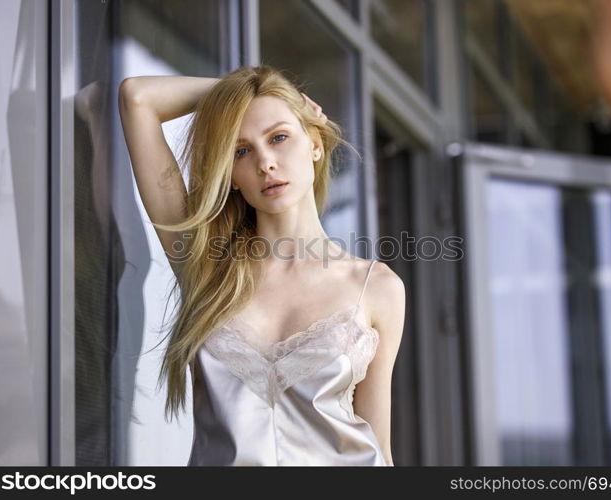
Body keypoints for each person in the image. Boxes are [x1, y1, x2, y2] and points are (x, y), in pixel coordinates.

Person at [118, 65, 405, 466]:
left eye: (280, 137)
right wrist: (240, 94)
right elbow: (137, 98)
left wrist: (273, 95)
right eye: (241, 150)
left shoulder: (376, 287)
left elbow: (380, 446)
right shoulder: (206, 266)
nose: (265, 162)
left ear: (316, 144)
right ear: (232, 175)